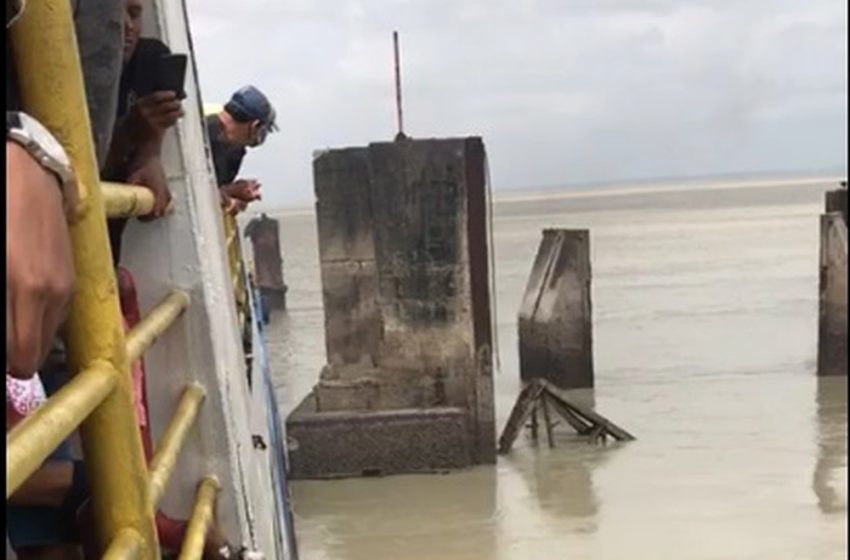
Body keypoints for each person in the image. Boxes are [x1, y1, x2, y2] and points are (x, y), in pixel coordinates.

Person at [102, 0, 183, 266]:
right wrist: (130, 133)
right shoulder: (54, 71)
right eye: (112, 12)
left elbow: (149, 135)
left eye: (135, 14)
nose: (127, 25)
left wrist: (149, 154)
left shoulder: (150, 59)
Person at [205, 86, 278, 214]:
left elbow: (217, 190)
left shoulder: (233, 149)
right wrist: (230, 191)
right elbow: (195, 193)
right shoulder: (201, 137)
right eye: (261, 133)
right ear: (255, 126)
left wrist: (237, 197)